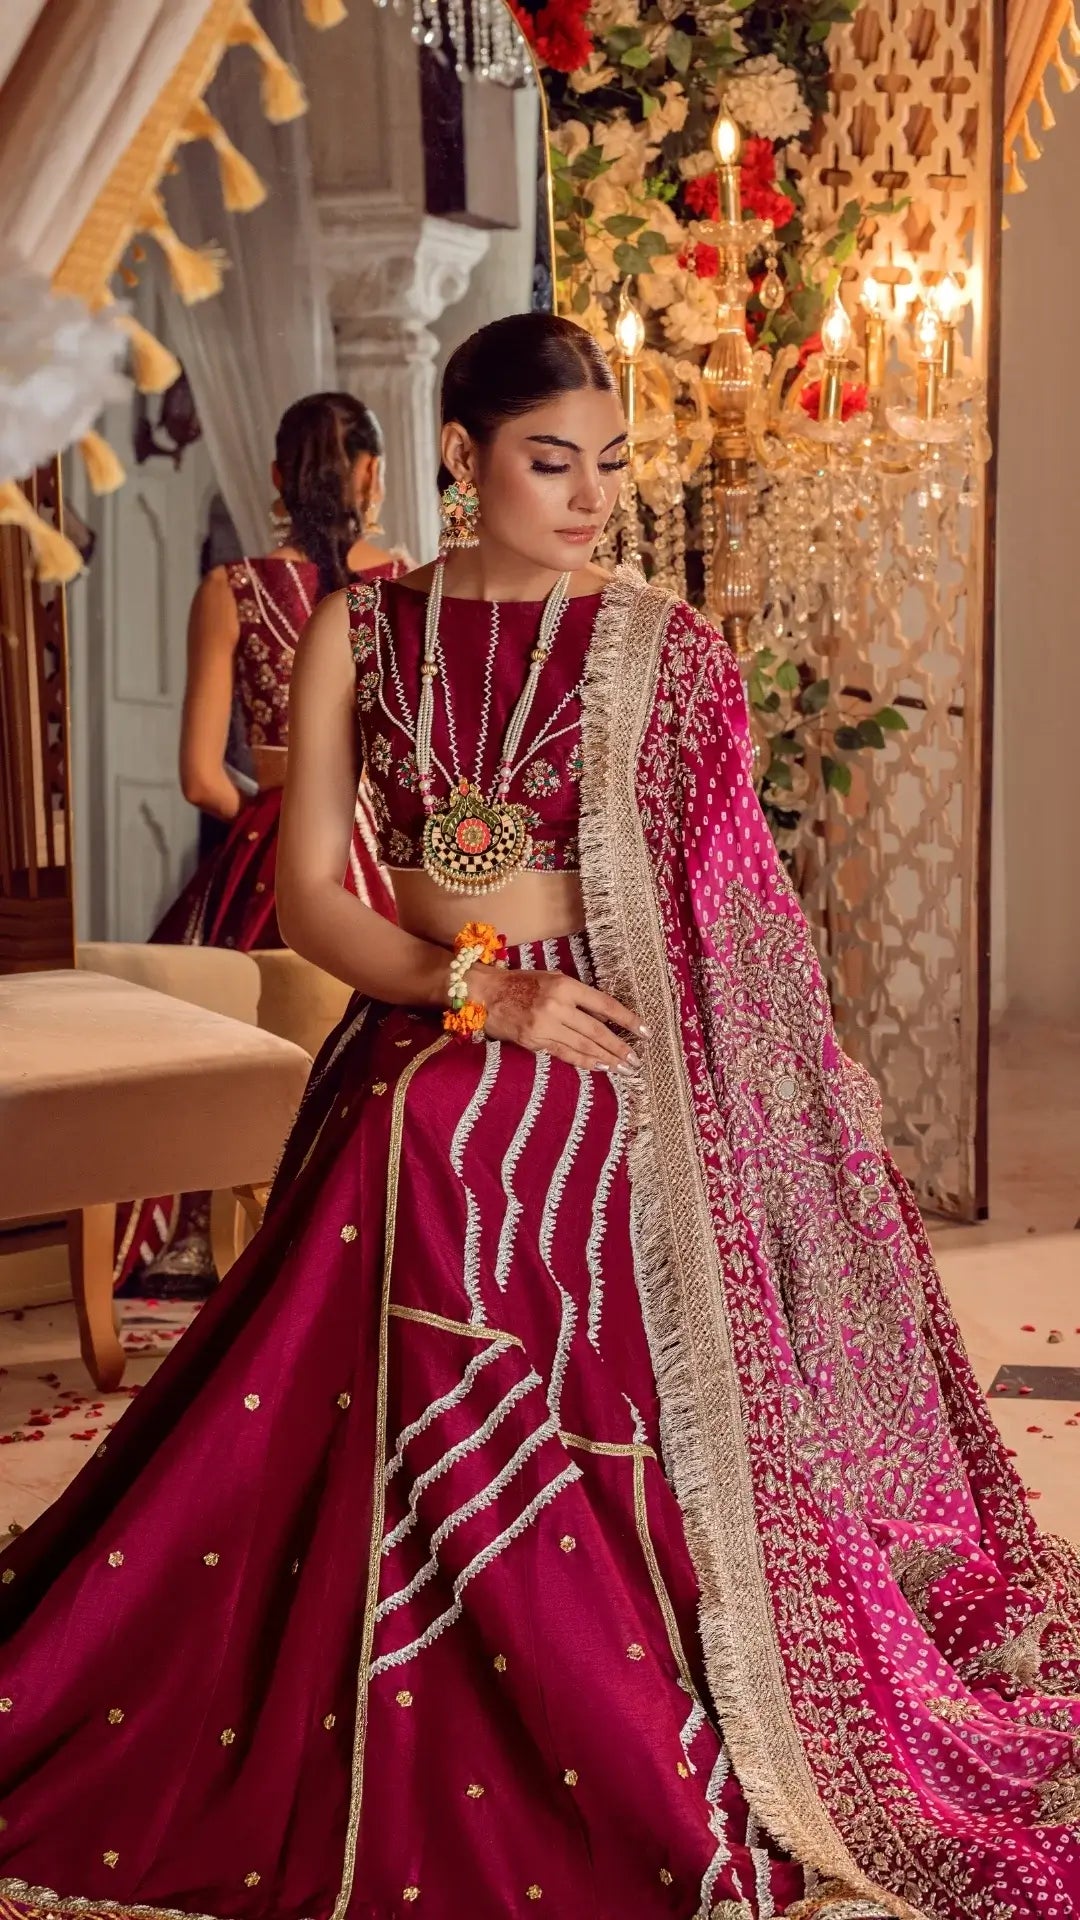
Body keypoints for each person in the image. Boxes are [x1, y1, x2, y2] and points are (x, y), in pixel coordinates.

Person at [2, 313, 1079, 1920]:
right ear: (463, 455)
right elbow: (313, 895)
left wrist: (659, 1055)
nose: (591, 499)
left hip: (622, 1022)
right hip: (437, 1000)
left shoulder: (661, 646)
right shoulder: (363, 630)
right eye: (552, 461)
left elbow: (730, 911)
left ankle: (564, 1607)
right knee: (418, 1130)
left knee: (464, 1147)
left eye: (612, 466)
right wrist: (477, 993)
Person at [114, 392, 409, 1293]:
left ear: (277, 476)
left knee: (210, 1028)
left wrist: (268, 807)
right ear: (371, 473)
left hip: (271, 846)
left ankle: (199, 1235)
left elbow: (200, 779)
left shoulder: (230, 589)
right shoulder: (408, 583)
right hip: (383, 851)